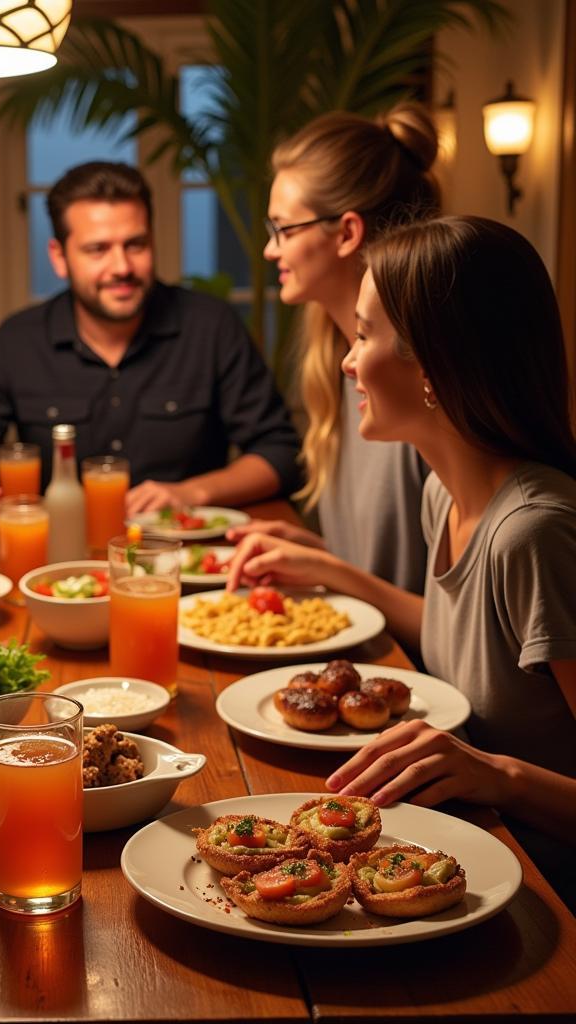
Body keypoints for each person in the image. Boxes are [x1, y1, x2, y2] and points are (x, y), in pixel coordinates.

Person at [226, 216, 576, 904]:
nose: (347, 361)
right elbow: (472, 640)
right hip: (451, 845)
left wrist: (499, 777)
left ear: (434, 366)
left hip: (543, 895)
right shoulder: (444, 495)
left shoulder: (535, 534)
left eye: (362, 335)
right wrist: (331, 570)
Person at [0, 161, 300, 541]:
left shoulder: (211, 326)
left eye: (136, 244)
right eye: (97, 249)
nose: (121, 266)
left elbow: (280, 453)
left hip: (187, 566)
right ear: (59, 258)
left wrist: (192, 493)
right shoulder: (19, 340)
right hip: (53, 567)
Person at [227, 104, 439, 594]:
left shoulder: (418, 385)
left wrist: (329, 570)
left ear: (346, 233)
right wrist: (312, 552)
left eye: (283, 228)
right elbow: (379, 570)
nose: (269, 250)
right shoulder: (341, 368)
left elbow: (457, 624)